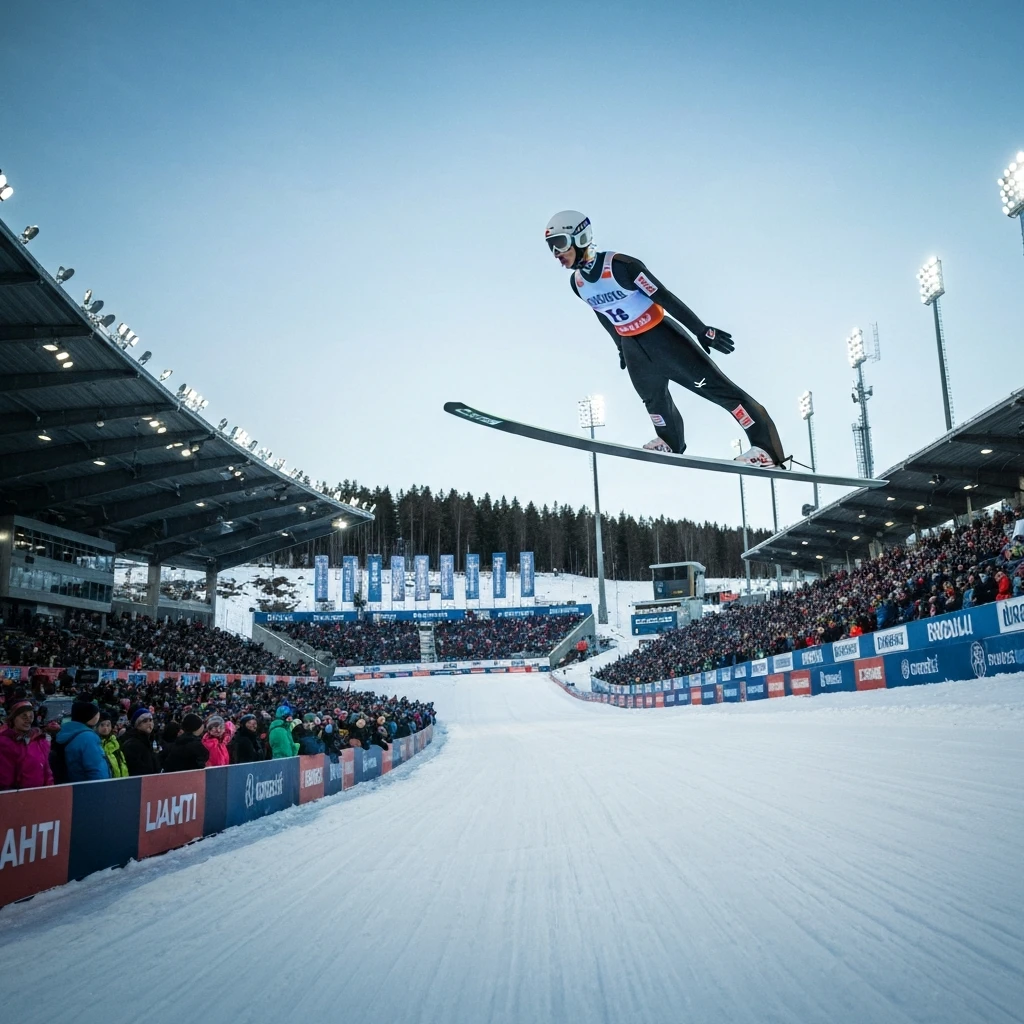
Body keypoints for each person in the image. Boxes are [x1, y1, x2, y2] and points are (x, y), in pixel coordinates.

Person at [544, 210, 786, 466]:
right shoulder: (578, 283)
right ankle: (670, 440)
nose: (556, 253)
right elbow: (603, 314)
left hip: (662, 338)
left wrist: (701, 330)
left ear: (581, 237)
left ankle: (766, 449)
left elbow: (665, 297)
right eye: (551, 247)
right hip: (632, 346)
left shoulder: (622, 266)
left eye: (559, 243)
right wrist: (620, 347)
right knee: (653, 399)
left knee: (718, 389)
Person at [0, 698, 54, 791]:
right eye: (23, 716)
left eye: (31, 716)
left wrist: (50, 791)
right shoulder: (5, 743)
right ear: (13, 718)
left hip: (40, 795)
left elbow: (47, 771)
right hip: (17, 796)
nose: (28, 720)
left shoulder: (39, 740)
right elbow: (5, 780)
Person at [54, 698, 111, 782]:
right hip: (90, 787)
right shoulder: (88, 738)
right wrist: (104, 787)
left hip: (73, 785)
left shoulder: (66, 733)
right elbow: (97, 770)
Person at [120, 707, 162, 776]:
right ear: (137, 725)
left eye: (150, 720)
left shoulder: (150, 740)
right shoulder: (132, 745)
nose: (149, 723)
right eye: (145, 721)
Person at [96, 710, 129, 779]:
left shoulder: (114, 740)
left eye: (108, 725)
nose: (106, 728)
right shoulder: (96, 742)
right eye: (102, 725)